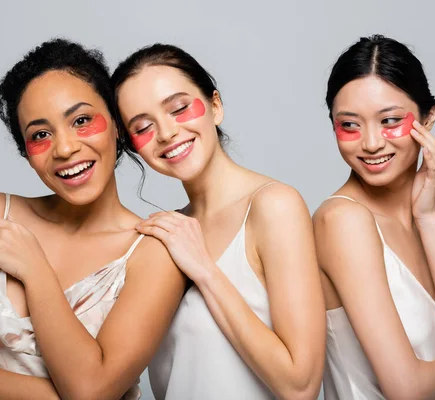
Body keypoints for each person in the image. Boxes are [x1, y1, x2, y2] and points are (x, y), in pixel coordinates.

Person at [0, 38, 186, 400]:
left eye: (81, 120)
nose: (64, 149)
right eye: (40, 134)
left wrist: (35, 270)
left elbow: (92, 391)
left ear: (117, 126)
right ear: (26, 152)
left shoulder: (153, 252)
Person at [111, 43, 326, 400]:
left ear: (215, 106)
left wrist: (205, 272)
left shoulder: (274, 206)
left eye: (179, 108)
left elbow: (300, 385)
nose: (166, 133)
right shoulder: (165, 234)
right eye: (143, 126)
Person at [314, 34, 435, 399]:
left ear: (428, 118)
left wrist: (427, 218)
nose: (371, 143)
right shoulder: (341, 221)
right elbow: (406, 388)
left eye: (390, 120)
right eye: (349, 125)